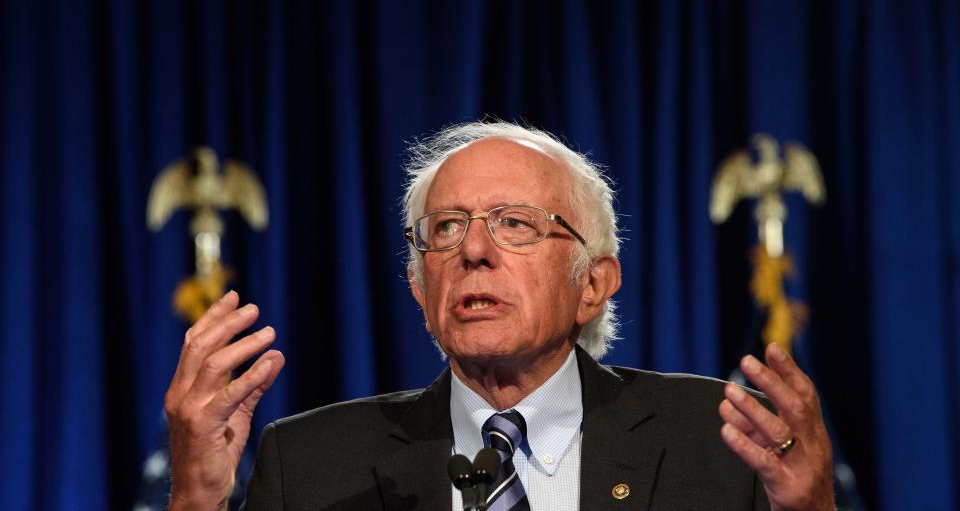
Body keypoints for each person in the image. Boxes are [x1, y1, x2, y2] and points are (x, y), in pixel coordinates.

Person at [164, 121, 835, 510]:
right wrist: (196, 497)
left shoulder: (717, 442)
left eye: (515, 224)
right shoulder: (310, 467)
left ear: (594, 283)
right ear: (419, 288)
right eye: (446, 228)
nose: (474, 250)